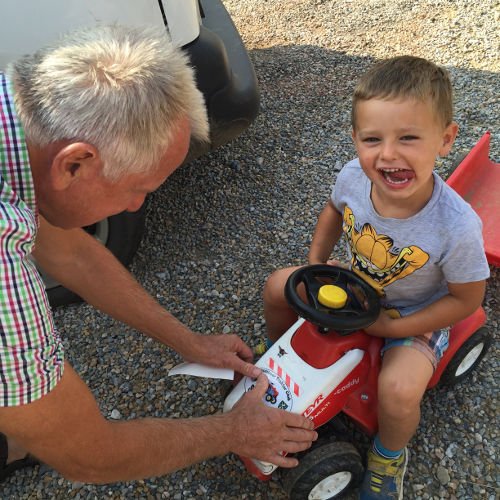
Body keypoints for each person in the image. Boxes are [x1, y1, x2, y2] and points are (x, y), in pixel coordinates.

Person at [0, 24, 317, 484]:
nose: (137, 206)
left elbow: (71, 253)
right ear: (75, 163)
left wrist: (188, 341)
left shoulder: (18, 127)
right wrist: (234, 430)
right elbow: (93, 457)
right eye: (138, 190)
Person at [262, 55, 490, 499]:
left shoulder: (456, 226)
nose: (388, 154)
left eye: (408, 137)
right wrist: (316, 267)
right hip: (357, 284)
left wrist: (394, 327)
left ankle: (388, 456)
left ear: (445, 140)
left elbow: (466, 300)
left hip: (417, 310)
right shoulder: (352, 177)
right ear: (355, 140)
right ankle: (274, 358)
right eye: (372, 139)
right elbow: (333, 211)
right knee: (277, 284)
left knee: (399, 389)